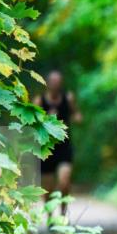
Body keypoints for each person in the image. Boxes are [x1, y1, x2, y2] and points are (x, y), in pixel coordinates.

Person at [34, 70, 82, 216]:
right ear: (48, 84)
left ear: (61, 84)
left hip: (64, 147)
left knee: (64, 181)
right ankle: (50, 217)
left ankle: (62, 215)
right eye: (53, 82)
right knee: (47, 188)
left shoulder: (68, 98)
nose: (56, 84)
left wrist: (76, 118)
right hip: (46, 148)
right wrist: (46, 119)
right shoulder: (39, 101)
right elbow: (31, 124)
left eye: (58, 82)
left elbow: (77, 115)